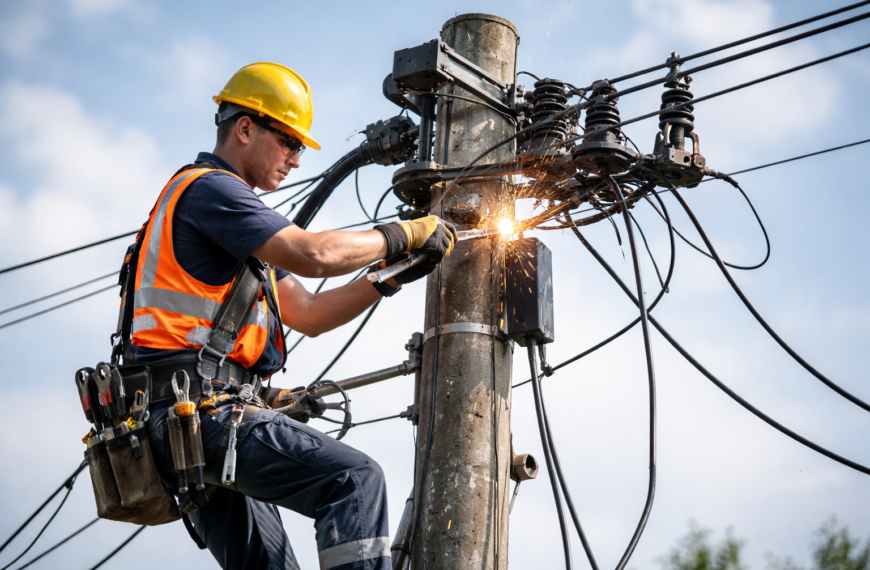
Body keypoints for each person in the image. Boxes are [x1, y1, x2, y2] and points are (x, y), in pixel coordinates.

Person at [122, 62, 455, 570]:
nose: (296, 161)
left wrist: (386, 277)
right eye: (290, 143)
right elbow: (313, 254)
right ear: (246, 128)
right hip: (195, 416)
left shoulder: (234, 230)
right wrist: (402, 234)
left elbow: (311, 312)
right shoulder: (211, 191)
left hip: (184, 427)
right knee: (353, 481)